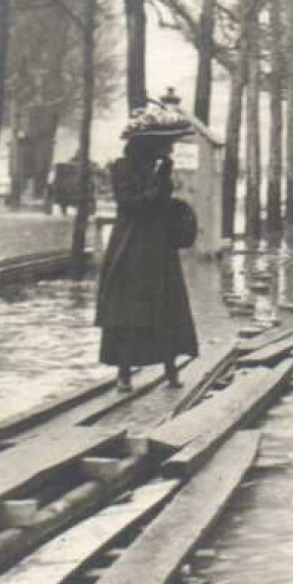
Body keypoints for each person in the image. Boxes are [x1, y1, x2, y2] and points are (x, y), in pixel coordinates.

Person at [95, 102, 199, 391]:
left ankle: (170, 369)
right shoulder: (122, 169)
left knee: (165, 306)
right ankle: (124, 373)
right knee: (129, 309)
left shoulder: (162, 168)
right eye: (165, 145)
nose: (170, 150)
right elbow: (132, 203)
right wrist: (157, 183)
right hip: (130, 244)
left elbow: (162, 203)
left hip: (158, 246)